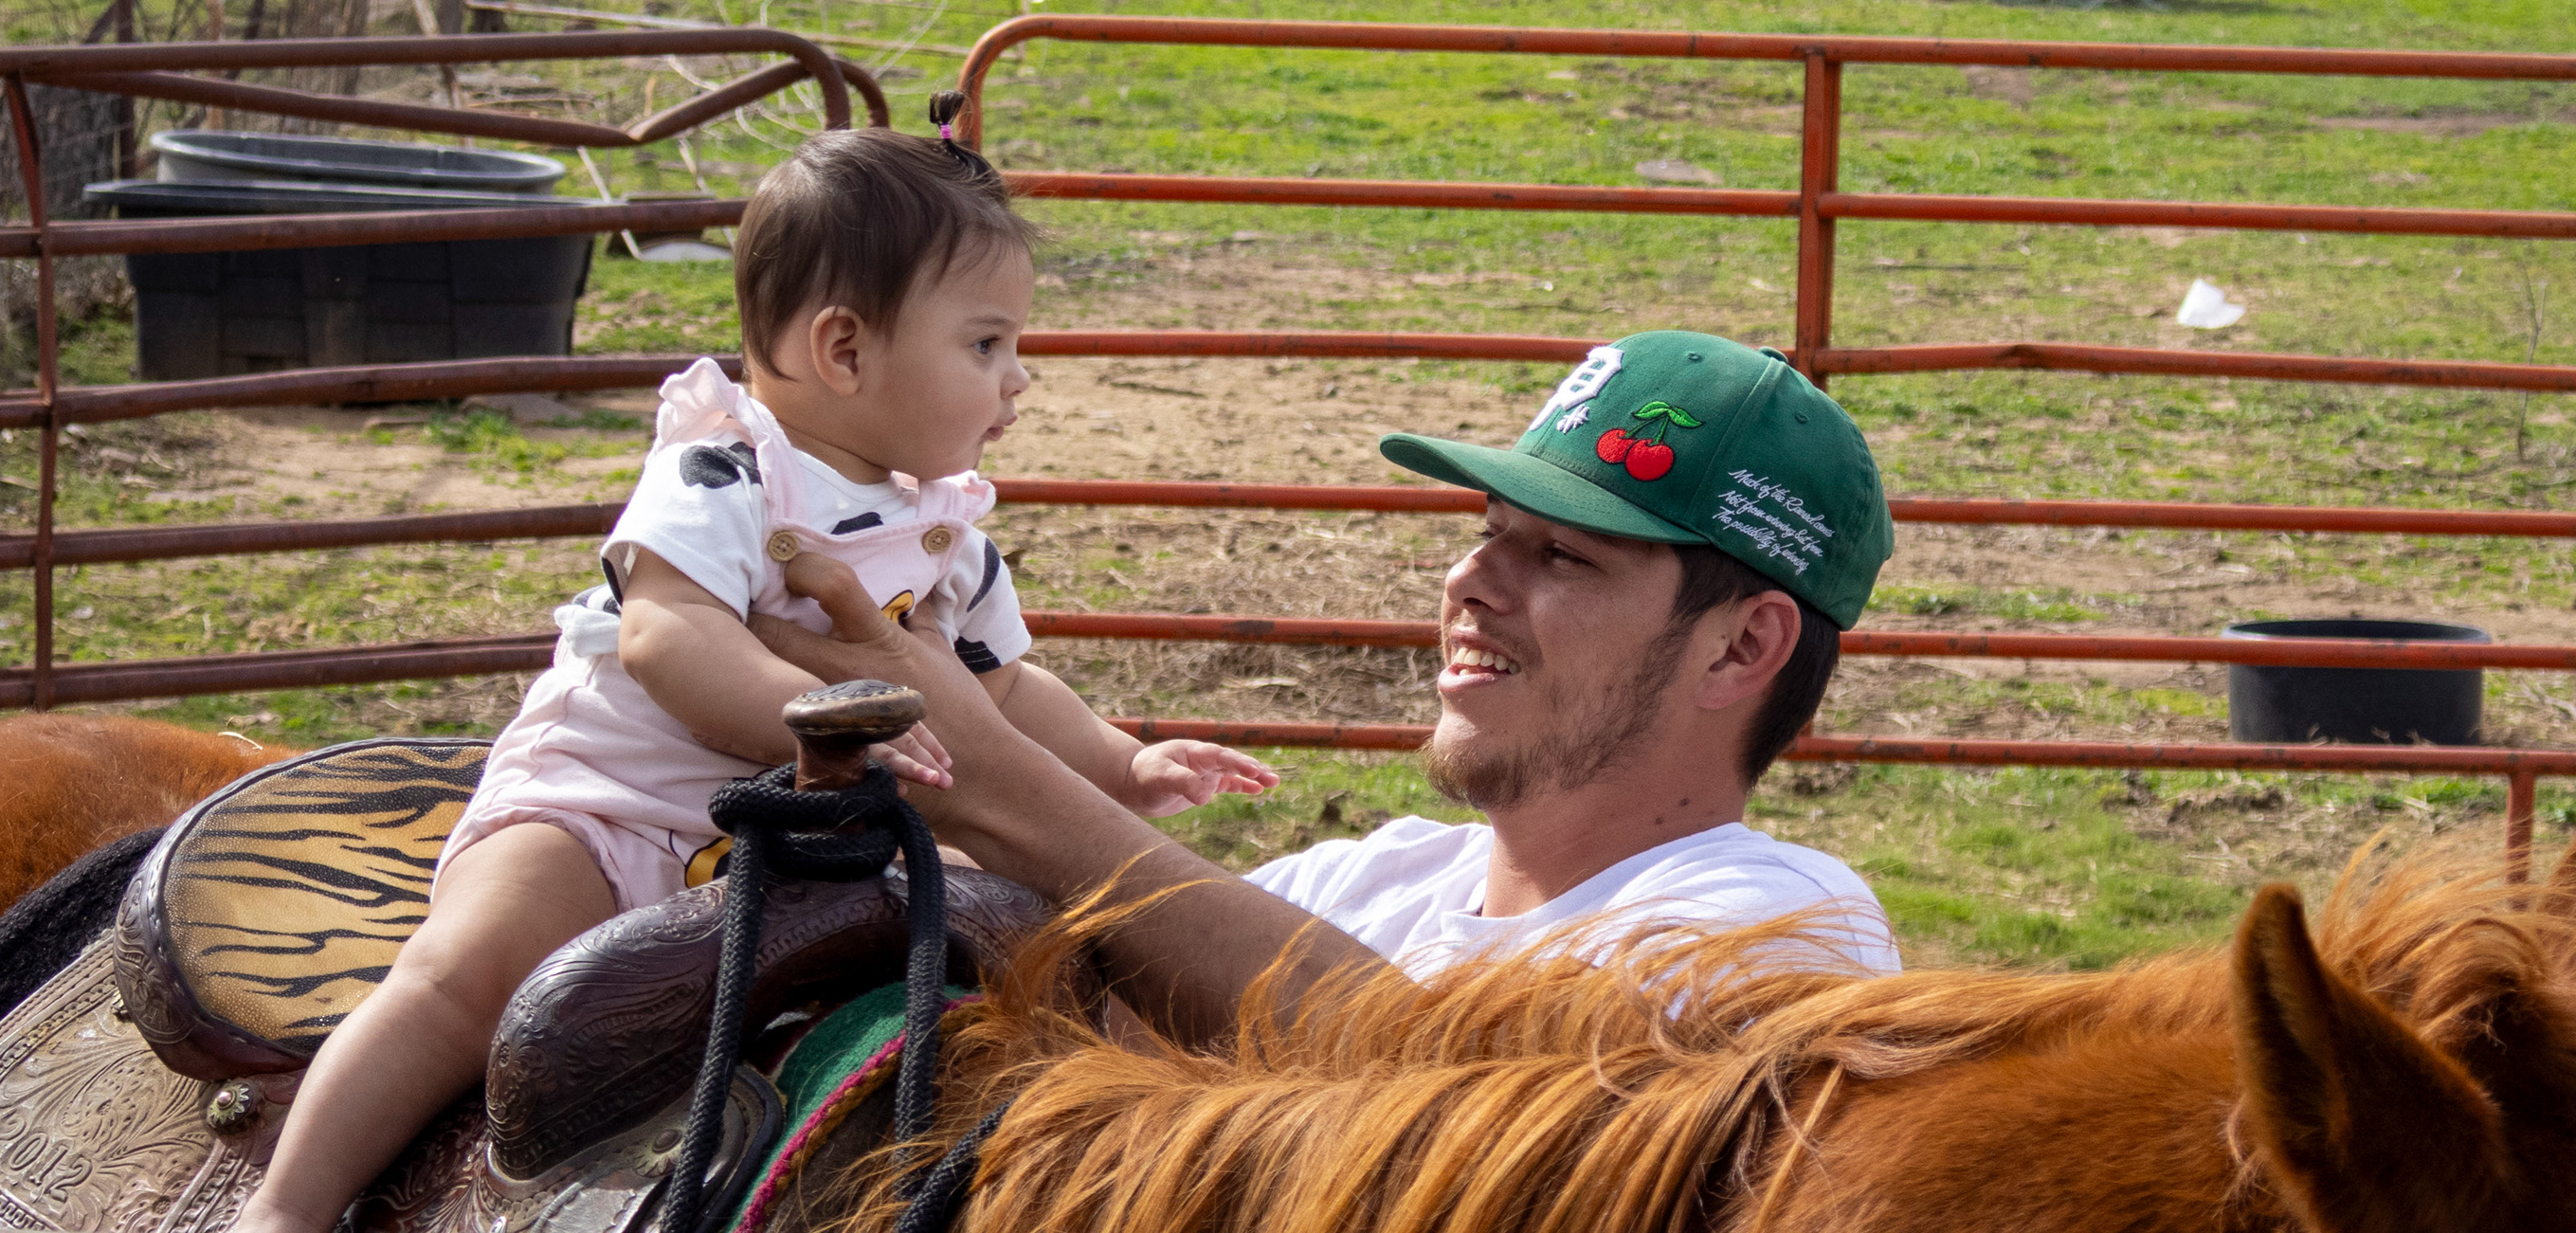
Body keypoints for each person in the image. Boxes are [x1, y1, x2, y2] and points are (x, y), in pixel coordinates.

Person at [232, 106, 1274, 1233]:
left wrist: (1123, 763)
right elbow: (668, 633)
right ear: (844, 348)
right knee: (464, 979)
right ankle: (289, 1203)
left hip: (787, 847)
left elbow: (1004, 689)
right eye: (985, 344)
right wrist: (816, 714)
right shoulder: (725, 472)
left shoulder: (944, 533)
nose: (1019, 379)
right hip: (614, 801)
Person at [753, 328, 1899, 1029]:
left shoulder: (1784, 928)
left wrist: (1001, 777)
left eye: (1561, 554)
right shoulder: (1368, 883)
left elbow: (1469, 1115)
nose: (1469, 581)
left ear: (1742, 647)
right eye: (1488, 529)